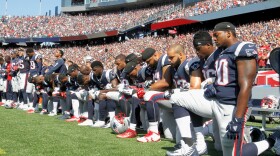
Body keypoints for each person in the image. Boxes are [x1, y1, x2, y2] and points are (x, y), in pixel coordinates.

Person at [169, 22, 258, 155]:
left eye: (216, 35)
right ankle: (194, 144)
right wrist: (214, 85)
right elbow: (226, 78)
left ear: (228, 33)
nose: (214, 39)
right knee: (176, 97)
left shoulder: (242, 48)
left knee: (231, 150)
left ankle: (271, 140)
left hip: (231, 105)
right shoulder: (222, 52)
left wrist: (238, 118)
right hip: (217, 101)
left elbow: (246, 85)